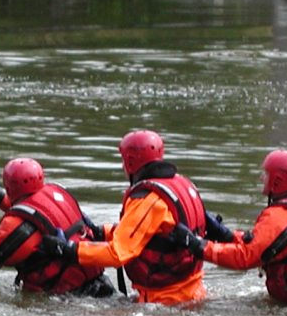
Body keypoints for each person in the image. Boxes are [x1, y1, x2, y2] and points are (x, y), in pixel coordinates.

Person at [41, 130, 233, 305]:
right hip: (192, 293)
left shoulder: (148, 200)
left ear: (130, 162)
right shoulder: (182, 184)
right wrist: (101, 232)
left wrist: (68, 249)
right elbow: (149, 233)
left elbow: (117, 254)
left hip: (165, 302)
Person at [172, 149, 287, 306]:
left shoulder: (280, 215)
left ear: (278, 181)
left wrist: (197, 245)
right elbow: (267, 244)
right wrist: (227, 235)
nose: (262, 178)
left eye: (266, 174)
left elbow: (245, 257)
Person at [0, 157, 114, 297]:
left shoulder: (14, 225)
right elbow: (31, 211)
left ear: (9, 186)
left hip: (67, 297)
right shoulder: (55, 194)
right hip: (100, 282)